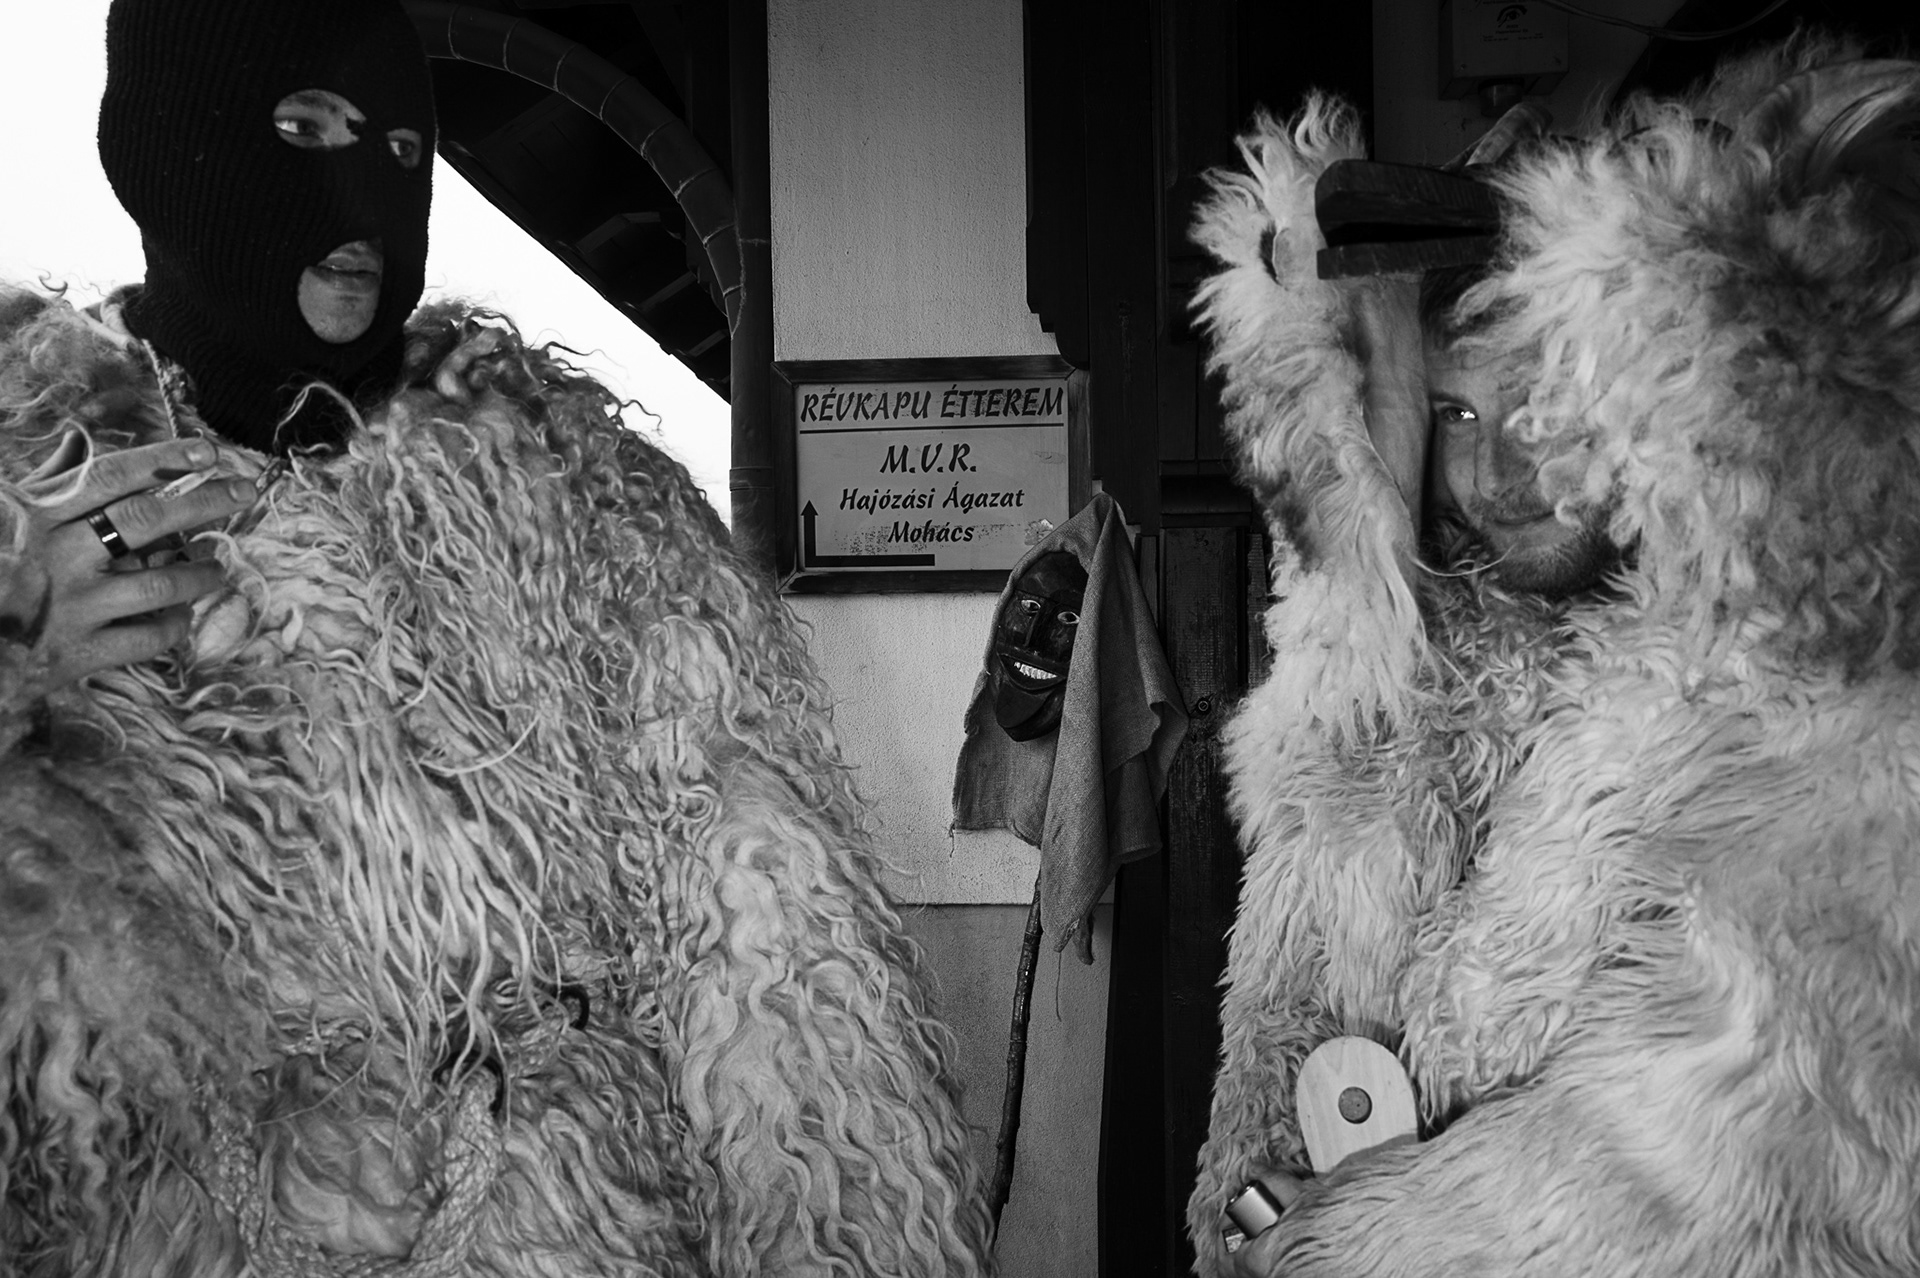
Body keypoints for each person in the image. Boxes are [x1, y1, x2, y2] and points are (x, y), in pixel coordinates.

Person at [0, 1, 995, 1273]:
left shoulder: (581, 496)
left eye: (400, 150)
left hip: (572, 1226)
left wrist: (848, 1242)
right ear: (156, 147)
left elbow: (773, 935)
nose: (361, 199)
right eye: (305, 128)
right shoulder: (34, 492)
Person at [1186, 36, 1920, 1278]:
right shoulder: (1384, 678)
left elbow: (1735, 1166)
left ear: (1645, 391)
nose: (1500, 473)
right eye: (1455, 413)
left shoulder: (1777, 697)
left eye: (1543, 404)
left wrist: (1343, 1241)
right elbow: (1284, 1035)